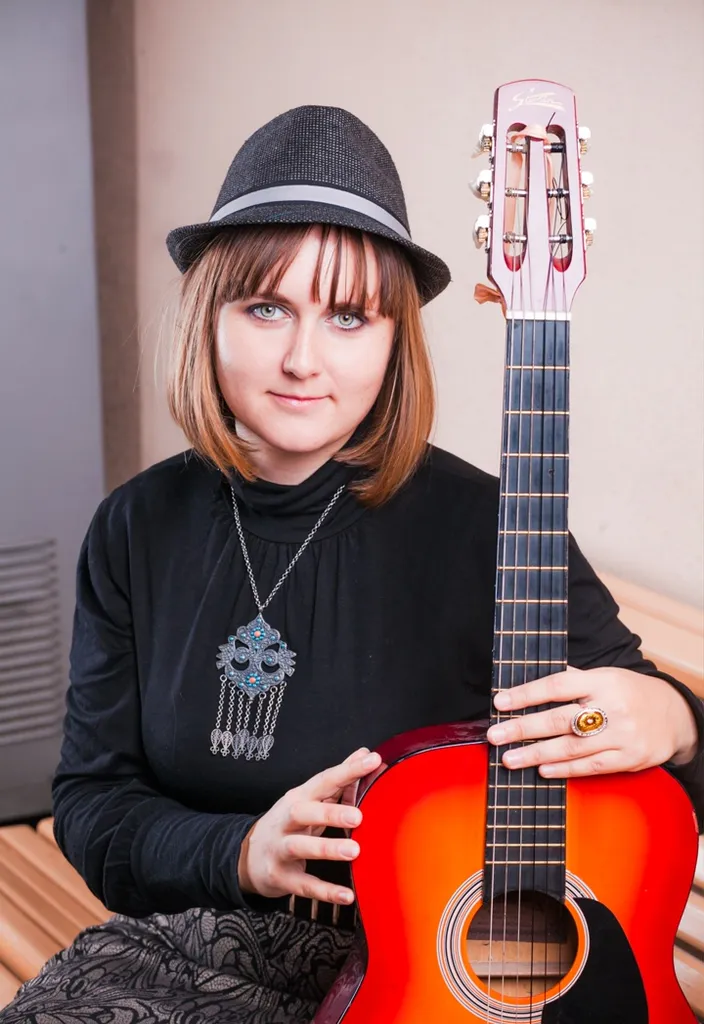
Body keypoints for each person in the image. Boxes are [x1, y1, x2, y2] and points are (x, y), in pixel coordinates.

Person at [2, 105, 702, 1024]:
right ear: (209, 316)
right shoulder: (135, 529)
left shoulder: (493, 524)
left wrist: (674, 718)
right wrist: (243, 850)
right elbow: (93, 805)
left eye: (346, 316)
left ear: (393, 338)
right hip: (202, 953)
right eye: (266, 308)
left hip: (447, 960)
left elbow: (657, 754)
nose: (302, 359)